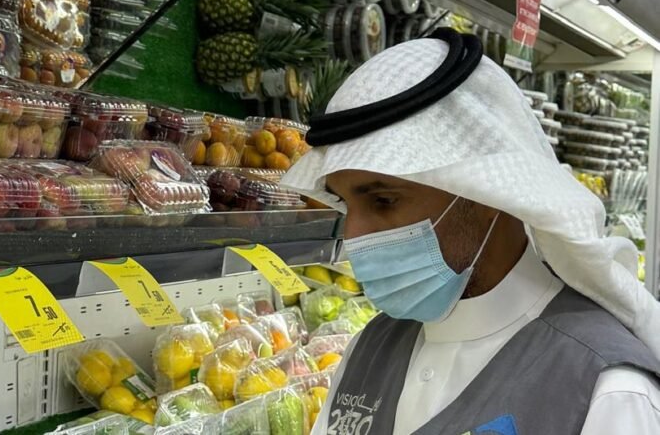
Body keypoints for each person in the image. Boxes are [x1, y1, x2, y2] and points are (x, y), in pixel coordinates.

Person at [281, 29, 660, 434]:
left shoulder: (604, 389)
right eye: (344, 204)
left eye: (384, 200)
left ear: (486, 193)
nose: (354, 235)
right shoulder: (368, 349)